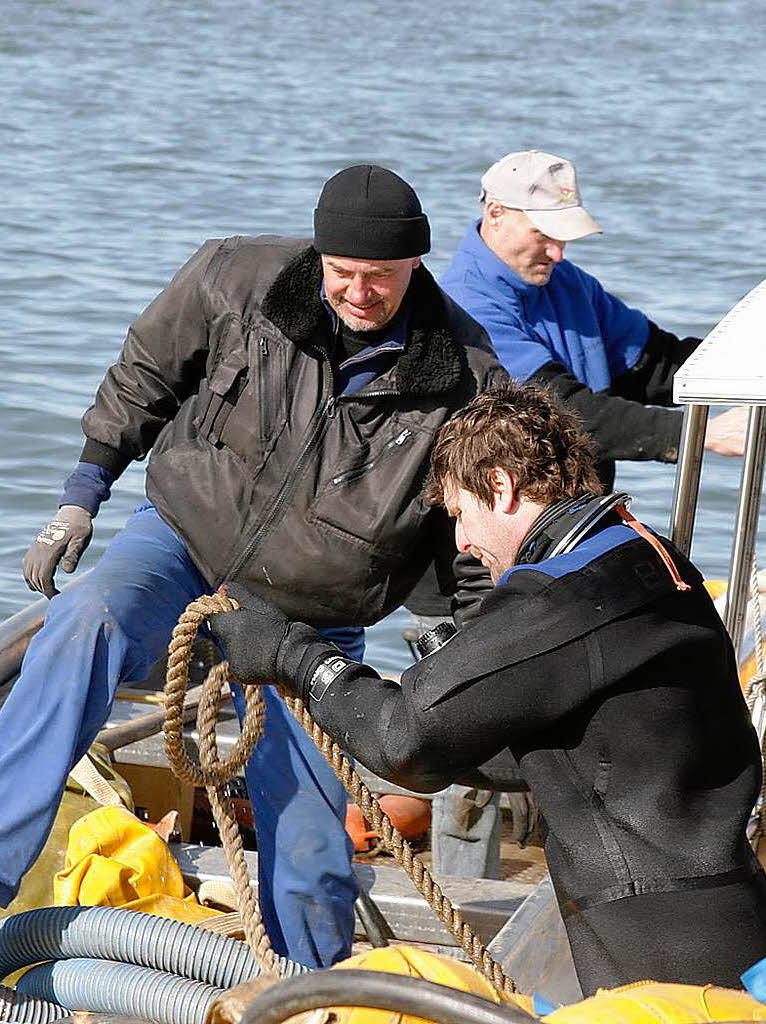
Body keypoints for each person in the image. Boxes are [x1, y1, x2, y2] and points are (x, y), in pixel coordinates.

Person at [3, 164, 507, 967]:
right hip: (178, 543)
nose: (360, 292)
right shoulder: (235, 278)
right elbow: (142, 377)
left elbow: (478, 526)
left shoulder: (467, 378)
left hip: (311, 615)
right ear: (319, 256)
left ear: (418, 264)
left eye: (382, 277)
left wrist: (469, 634)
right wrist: (80, 496)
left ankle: (308, 991)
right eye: (344, 273)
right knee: (81, 622)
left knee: (310, 837)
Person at [208, 381, 766, 995]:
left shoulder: (564, 595)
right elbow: (567, 751)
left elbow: (404, 742)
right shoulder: (647, 555)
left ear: (499, 487)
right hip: (719, 914)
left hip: (654, 942)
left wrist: (291, 652)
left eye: (458, 515)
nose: (462, 544)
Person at [429, 148, 749, 879]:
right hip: (488, 547)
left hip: (571, 547)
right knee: (477, 709)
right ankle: (458, 886)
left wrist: (735, 378)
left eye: (565, 232)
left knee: (570, 707)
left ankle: (560, 858)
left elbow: (659, 365)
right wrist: (699, 435)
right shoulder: (469, 304)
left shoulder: (568, 284)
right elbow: (563, 415)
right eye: (544, 231)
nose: (557, 248)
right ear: (495, 214)